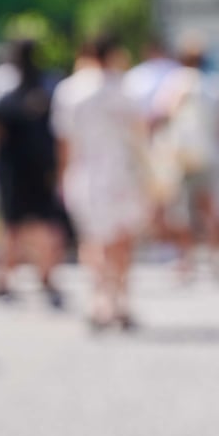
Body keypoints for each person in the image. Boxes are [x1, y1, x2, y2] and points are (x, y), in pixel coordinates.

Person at [53, 34, 147, 330]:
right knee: (123, 240)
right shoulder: (126, 88)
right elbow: (141, 135)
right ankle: (121, 301)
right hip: (124, 173)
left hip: (86, 173)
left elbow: (65, 141)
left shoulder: (70, 90)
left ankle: (99, 300)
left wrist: (61, 175)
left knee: (92, 240)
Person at [0, 40, 65, 306]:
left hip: (12, 169)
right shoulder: (49, 87)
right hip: (41, 167)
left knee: (11, 225)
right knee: (45, 223)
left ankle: (3, 277)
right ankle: (46, 275)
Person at [152, 34, 219, 281]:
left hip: (181, 155)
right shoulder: (215, 84)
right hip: (207, 153)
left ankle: (186, 261)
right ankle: (217, 259)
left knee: (181, 211)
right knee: (209, 208)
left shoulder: (177, 81)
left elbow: (163, 112)